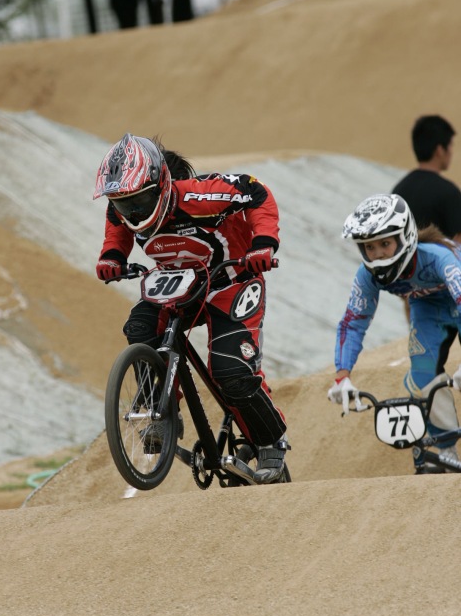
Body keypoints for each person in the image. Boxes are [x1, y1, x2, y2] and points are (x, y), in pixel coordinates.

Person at [93, 133, 288, 484]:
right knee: (139, 329)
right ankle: (162, 412)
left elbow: (256, 192)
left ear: (162, 185)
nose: (134, 212)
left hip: (232, 281)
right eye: (126, 204)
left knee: (231, 372)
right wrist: (113, 255)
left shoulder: (201, 195)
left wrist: (263, 244)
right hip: (175, 282)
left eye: (141, 200)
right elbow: (116, 217)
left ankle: (270, 440)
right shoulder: (121, 207)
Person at [327, 192, 461, 474]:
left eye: (385, 244)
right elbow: (353, 322)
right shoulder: (366, 276)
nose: (378, 255)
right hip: (428, 305)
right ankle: (448, 452)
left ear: (406, 236)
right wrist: (342, 376)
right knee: (423, 376)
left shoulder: (439, 257)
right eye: (369, 248)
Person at [392, 114, 461, 242]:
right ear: (440, 150)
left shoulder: (398, 191)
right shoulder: (448, 193)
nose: (452, 152)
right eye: (451, 145)